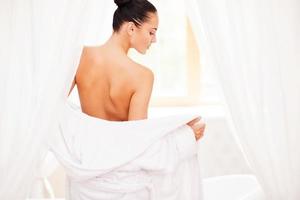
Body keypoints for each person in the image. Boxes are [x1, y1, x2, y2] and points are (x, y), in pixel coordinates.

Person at [68, 0, 205, 140]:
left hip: (87, 155)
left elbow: (54, 107)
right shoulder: (143, 76)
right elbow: (138, 140)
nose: (154, 40)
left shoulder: (79, 56)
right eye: (151, 32)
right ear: (131, 28)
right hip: (119, 158)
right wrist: (184, 137)